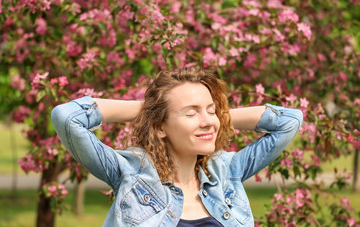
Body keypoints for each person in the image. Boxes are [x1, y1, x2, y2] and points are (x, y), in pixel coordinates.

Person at [51, 67, 303, 227]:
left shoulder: (227, 171)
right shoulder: (131, 174)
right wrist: (149, 111)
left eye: (211, 110)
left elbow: (289, 121)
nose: (207, 122)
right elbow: (67, 117)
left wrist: (214, 117)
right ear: (160, 126)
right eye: (191, 113)